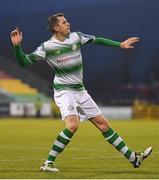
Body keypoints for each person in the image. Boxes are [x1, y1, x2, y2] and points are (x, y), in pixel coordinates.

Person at [10, 13, 152, 172]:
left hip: (80, 90)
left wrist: (119, 44)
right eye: (64, 22)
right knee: (72, 125)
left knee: (103, 124)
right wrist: (17, 47)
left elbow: (96, 39)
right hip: (65, 91)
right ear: (56, 27)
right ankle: (48, 163)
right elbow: (24, 62)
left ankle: (134, 158)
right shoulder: (47, 47)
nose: (68, 23)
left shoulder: (76, 37)